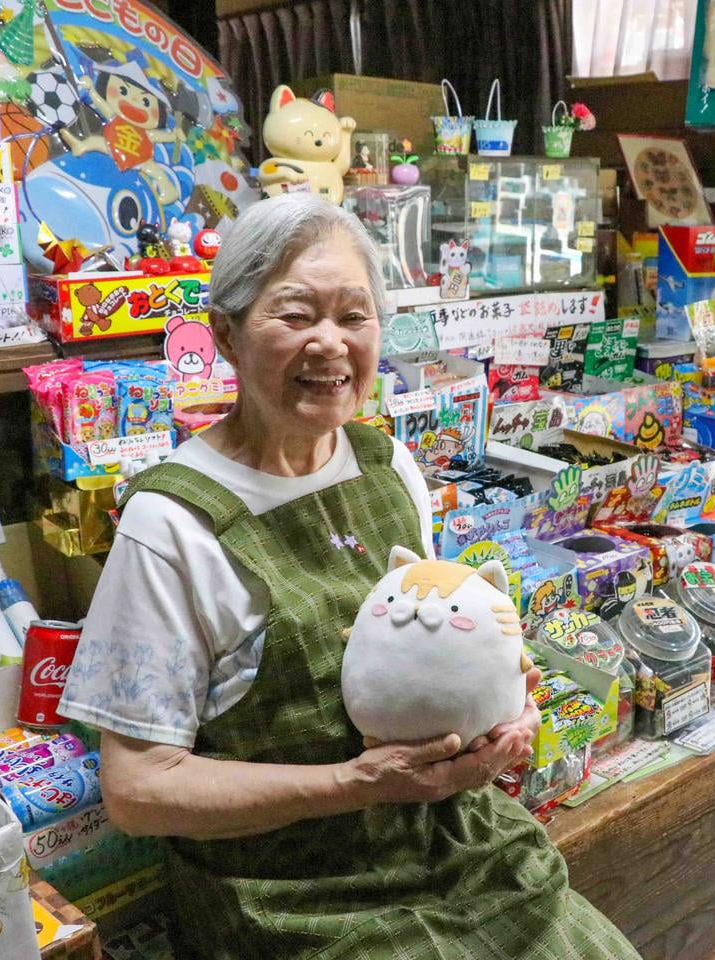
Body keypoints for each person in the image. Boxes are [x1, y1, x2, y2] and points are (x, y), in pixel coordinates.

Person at [59, 194, 641, 960]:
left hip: (455, 843)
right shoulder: (170, 522)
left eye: (354, 316)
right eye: (296, 315)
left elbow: (432, 641)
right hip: (290, 896)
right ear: (227, 335)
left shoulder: (387, 465)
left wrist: (503, 700)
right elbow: (139, 790)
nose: (330, 343)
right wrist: (354, 784)